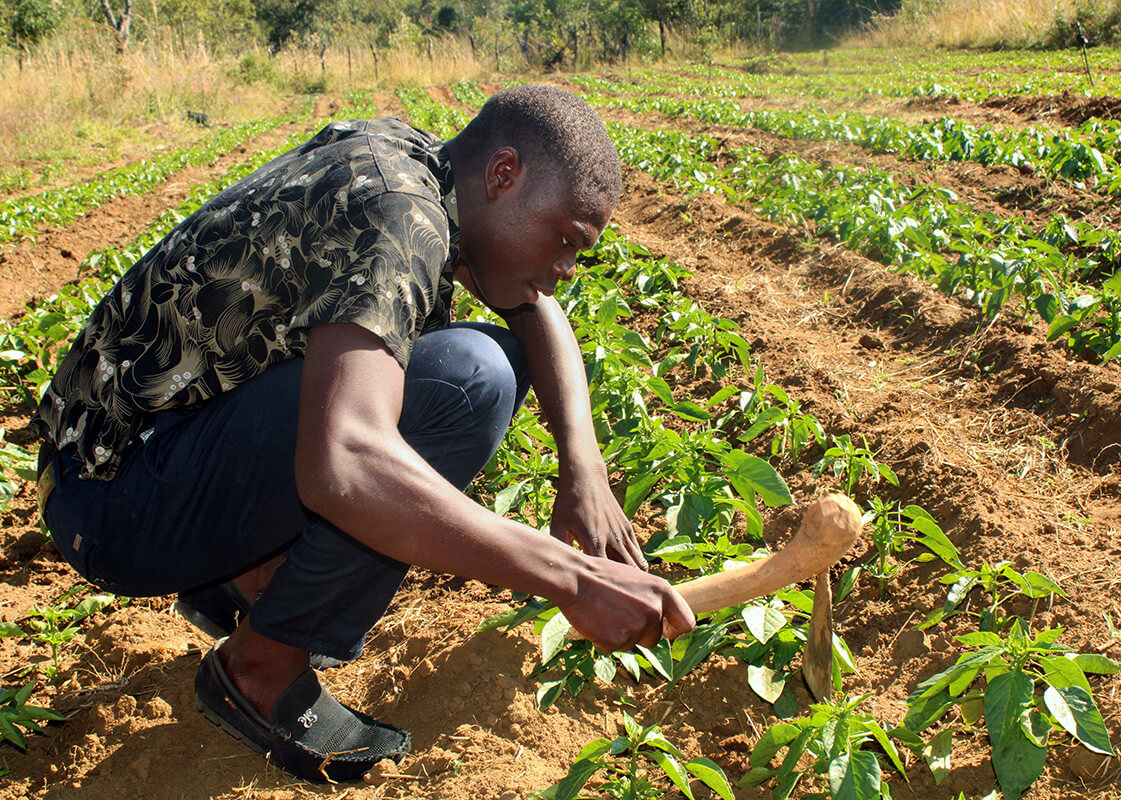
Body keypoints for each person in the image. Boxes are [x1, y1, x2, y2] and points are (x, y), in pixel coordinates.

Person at [32, 85, 696, 783]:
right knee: (467, 380)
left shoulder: (422, 172)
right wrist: (572, 577)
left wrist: (582, 465)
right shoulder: (401, 214)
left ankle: (240, 580)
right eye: (565, 240)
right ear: (503, 177)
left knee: (467, 366)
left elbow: (537, 308)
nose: (564, 270)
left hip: (131, 466)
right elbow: (344, 465)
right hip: (114, 506)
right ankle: (262, 668)